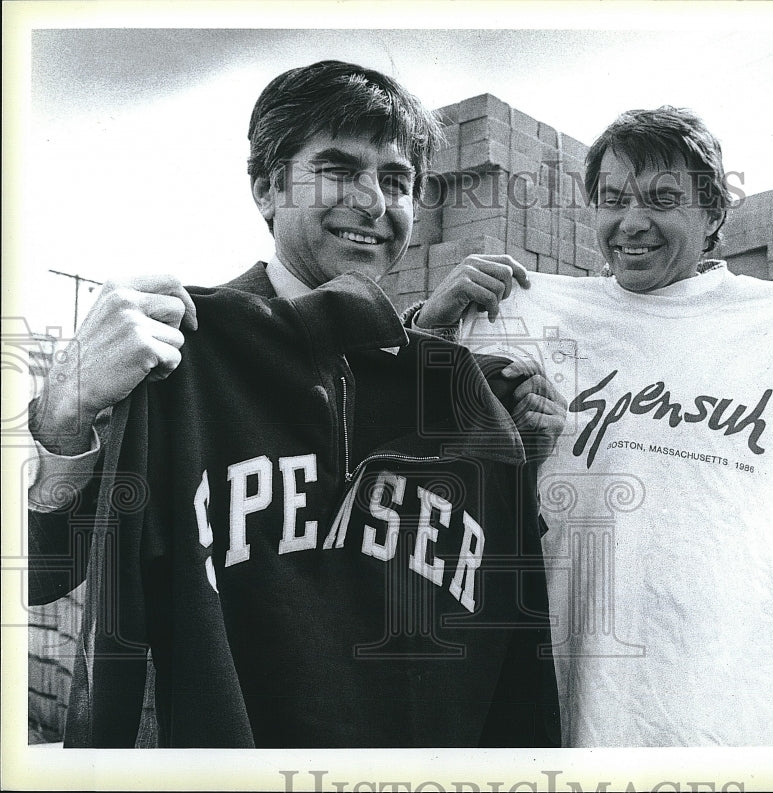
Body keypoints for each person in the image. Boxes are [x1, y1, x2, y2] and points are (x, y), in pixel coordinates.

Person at [26, 60, 565, 748]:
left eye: (396, 181)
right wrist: (66, 412)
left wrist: (518, 467)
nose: (373, 200)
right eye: (339, 170)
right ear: (266, 188)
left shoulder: (459, 392)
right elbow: (42, 572)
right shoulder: (177, 359)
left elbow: (496, 618)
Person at [416, 106, 773, 746]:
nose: (631, 221)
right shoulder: (531, 317)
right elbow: (419, 482)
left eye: (663, 199)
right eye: (612, 199)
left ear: (713, 215)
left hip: (720, 725)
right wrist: (428, 333)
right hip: (556, 711)